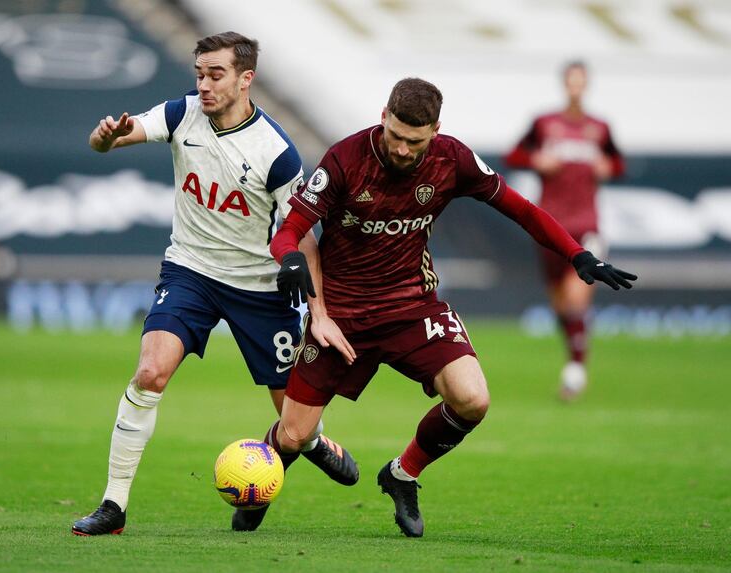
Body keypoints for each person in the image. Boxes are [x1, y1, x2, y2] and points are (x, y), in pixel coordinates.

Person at [258, 77, 636, 538]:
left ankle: (402, 474)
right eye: (395, 136)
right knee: (294, 435)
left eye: (413, 141)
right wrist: (291, 259)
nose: (401, 149)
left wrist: (577, 254)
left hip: (412, 307)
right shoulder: (345, 159)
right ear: (383, 116)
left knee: (473, 399)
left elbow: (522, 210)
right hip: (341, 317)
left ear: (436, 130)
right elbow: (290, 226)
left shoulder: (451, 159)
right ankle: (255, 487)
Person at [72, 32, 358, 537]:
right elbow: (113, 139)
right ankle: (113, 505)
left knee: (294, 422)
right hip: (190, 273)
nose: (203, 85)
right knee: (150, 373)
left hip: (259, 288)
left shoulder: (277, 152)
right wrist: (104, 137)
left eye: (216, 75)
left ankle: (311, 443)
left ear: (246, 79)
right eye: (199, 74)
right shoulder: (182, 115)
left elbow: (304, 234)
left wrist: (320, 313)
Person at [504, 61, 625, 401]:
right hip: (551, 227)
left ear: (586, 85)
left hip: (587, 225)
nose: (575, 88)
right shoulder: (545, 124)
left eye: (580, 82)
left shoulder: (599, 128)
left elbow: (618, 162)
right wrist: (535, 161)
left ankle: (575, 370)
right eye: (570, 82)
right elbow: (513, 154)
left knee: (576, 297)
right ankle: (574, 353)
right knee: (559, 303)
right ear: (564, 85)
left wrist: (608, 167)